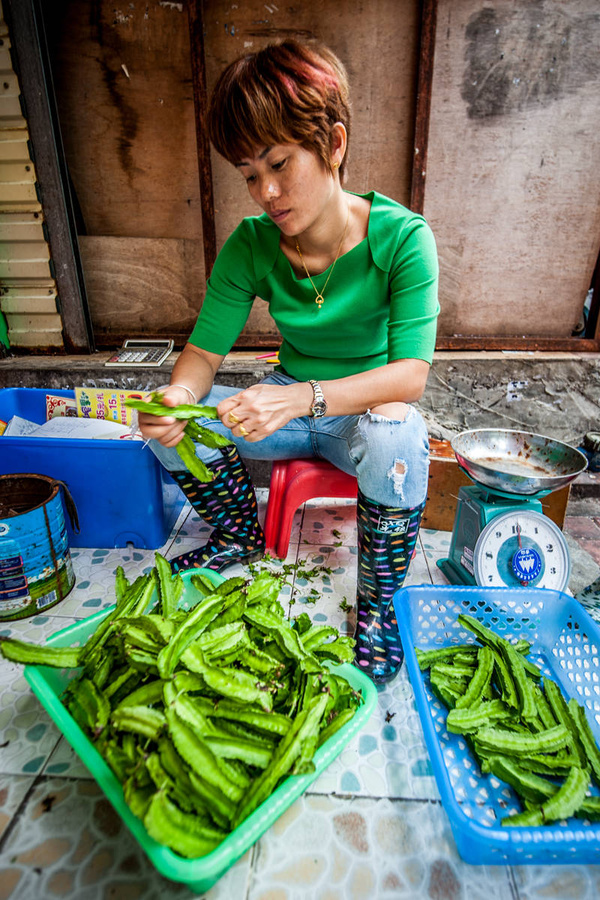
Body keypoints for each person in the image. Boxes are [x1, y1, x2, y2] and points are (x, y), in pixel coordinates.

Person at [138, 39, 439, 683]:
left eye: (279, 162)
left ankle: (379, 608)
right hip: (289, 404)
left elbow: (410, 376)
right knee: (168, 424)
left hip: (361, 413)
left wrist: (302, 398)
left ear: (333, 144)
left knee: (401, 433)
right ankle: (240, 536)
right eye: (249, 173)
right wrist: (182, 399)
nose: (266, 193)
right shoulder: (250, 246)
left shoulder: (405, 240)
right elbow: (200, 355)